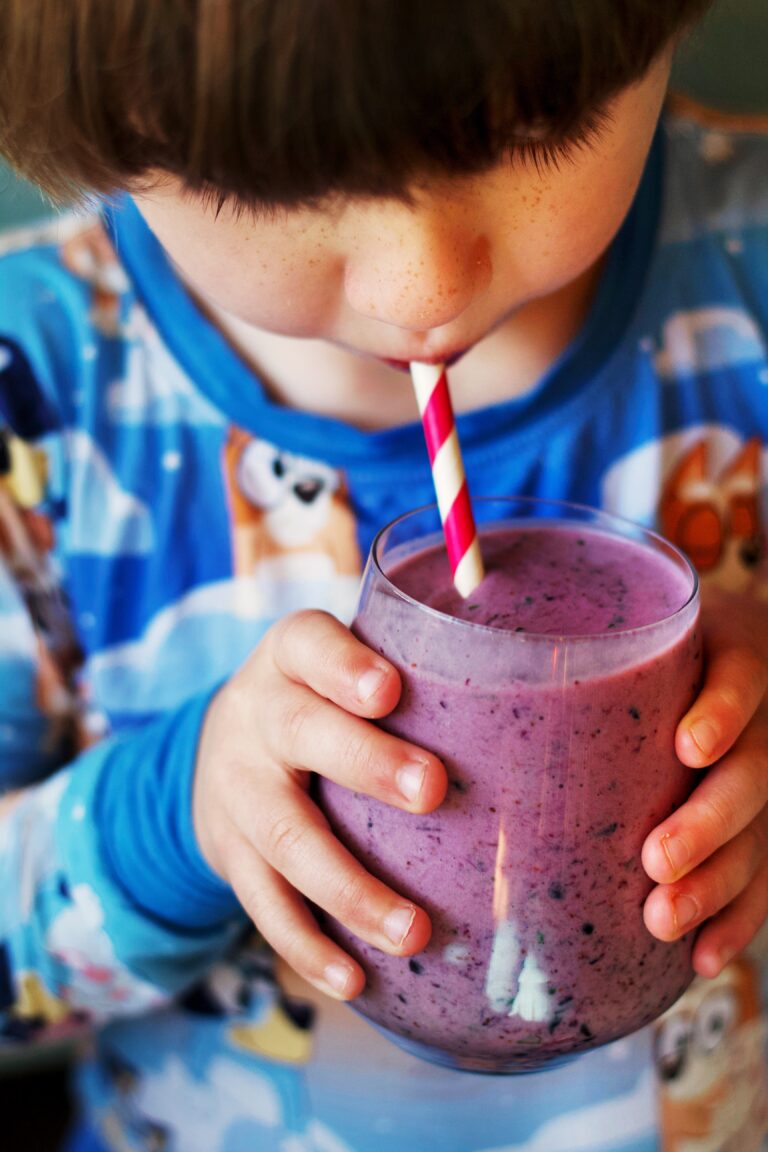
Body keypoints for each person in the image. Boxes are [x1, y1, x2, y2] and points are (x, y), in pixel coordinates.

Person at [0, 1, 766, 1148]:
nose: (423, 287)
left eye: (531, 129)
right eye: (278, 177)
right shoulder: (36, 396)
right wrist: (175, 815)